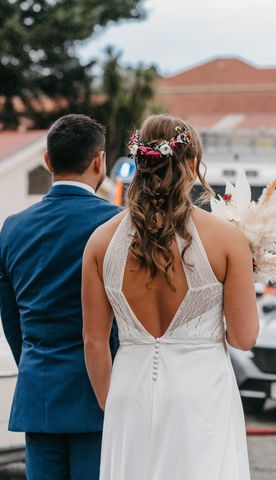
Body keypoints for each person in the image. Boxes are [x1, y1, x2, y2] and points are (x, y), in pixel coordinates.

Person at [82, 115, 259, 479]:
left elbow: (94, 340)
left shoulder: (100, 241)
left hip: (127, 393)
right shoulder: (227, 240)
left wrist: (112, 405)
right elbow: (244, 338)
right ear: (192, 164)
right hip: (201, 396)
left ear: (141, 164)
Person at [0, 114, 120, 480]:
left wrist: (35, 364)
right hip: (101, 394)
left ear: (48, 162)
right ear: (99, 161)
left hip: (39, 393)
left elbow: (11, 319)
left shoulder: (13, 227)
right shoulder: (117, 224)